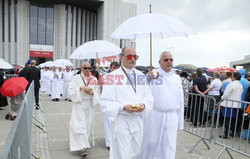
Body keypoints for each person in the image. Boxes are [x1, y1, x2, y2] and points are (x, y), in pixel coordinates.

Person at [99, 47, 154, 159]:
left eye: (135, 56)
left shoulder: (140, 76)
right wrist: (122, 107)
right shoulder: (112, 77)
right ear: (121, 58)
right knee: (124, 154)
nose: (133, 59)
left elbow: (149, 97)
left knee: (136, 153)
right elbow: (104, 102)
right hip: (122, 121)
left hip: (137, 121)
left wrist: (144, 105)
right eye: (129, 56)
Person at [140, 51, 184, 159]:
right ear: (159, 62)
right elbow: (141, 89)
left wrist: (180, 122)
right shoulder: (153, 74)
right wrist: (148, 79)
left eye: (171, 59)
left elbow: (180, 100)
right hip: (155, 116)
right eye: (166, 59)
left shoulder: (177, 78)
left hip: (171, 117)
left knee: (169, 145)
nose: (169, 62)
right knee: (152, 143)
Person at [68, 62, 99, 156]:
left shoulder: (94, 79)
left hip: (89, 104)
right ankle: (81, 147)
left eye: (89, 68)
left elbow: (97, 91)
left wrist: (92, 93)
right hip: (80, 104)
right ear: (81, 68)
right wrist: (81, 88)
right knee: (79, 125)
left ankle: (84, 145)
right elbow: (71, 90)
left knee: (87, 125)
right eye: (85, 68)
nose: (88, 70)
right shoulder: (76, 78)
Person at [102, 61, 120, 149]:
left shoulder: (120, 78)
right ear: (110, 68)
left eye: (117, 68)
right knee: (108, 123)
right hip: (108, 103)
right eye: (114, 68)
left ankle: (115, 140)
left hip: (118, 104)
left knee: (116, 123)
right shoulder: (106, 77)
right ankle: (109, 143)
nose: (115, 70)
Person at [220, 72, 243, 139]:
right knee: (233, 120)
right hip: (237, 105)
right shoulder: (240, 85)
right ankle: (232, 133)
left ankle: (226, 134)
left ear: (234, 77)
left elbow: (226, 94)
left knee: (227, 119)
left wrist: (222, 98)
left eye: (232, 76)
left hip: (229, 104)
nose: (231, 77)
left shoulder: (231, 84)